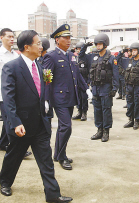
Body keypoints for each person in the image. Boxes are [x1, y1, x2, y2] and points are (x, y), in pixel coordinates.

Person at [0, 29, 72, 202]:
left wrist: (47, 110)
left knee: (46, 161)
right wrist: (15, 122)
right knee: (13, 157)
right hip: (21, 126)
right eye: (38, 43)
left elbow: (42, 91)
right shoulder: (12, 67)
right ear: (26, 47)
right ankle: (5, 182)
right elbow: (8, 99)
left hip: (40, 124)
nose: (41, 46)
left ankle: (53, 195)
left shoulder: (39, 65)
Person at [43, 24, 90, 170]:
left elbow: (77, 75)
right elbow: (47, 79)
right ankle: (62, 157)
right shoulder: (51, 56)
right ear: (57, 40)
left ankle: (58, 154)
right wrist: (45, 99)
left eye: (70, 38)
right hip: (59, 98)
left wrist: (86, 89)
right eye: (66, 38)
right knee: (67, 127)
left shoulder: (71, 56)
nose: (69, 41)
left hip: (71, 98)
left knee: (63, 127)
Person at [0, 28, 32, 157]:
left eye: (13, 37)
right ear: (1, 38)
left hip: (15, 93)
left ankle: (3, 143)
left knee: (8, 120)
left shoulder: (16, 55)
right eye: (9, 37)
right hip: (2, 94)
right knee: (11, 121)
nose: (12, 39)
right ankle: (17, 148)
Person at [79, 33, 119, 142]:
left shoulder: (111, 58)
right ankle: (99, 130)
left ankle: (106, 132)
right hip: (95, 88)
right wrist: (85, 46)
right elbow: (81, 56)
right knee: (97, 110)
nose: (98, 46)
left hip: (106, 88)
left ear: (105, 44)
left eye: (100, 44)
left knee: (106, 110)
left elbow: (116, 75)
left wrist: (115, 88)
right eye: (97, 44)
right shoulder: (93, 56)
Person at [119, 42, 139, 130]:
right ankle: (130, 120)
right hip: (129, 86)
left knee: (138, 104)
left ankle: (136, 121)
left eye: (135, 50)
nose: (133, 52)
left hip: (138, 87)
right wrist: (122, 51)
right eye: (132, 50)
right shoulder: (128, 61)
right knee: (130, 103)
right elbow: (117, 60)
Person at [72, 41, 89, 121]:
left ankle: (84, 113)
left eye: (80, 49)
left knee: (84, 97)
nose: (78, 51)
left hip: (85, 81)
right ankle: (79, 111)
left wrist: (89, 82)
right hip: (76, 82)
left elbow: (89, 70)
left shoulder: (86, 57)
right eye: (77, 49)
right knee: (78, 97)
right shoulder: (75, 58)